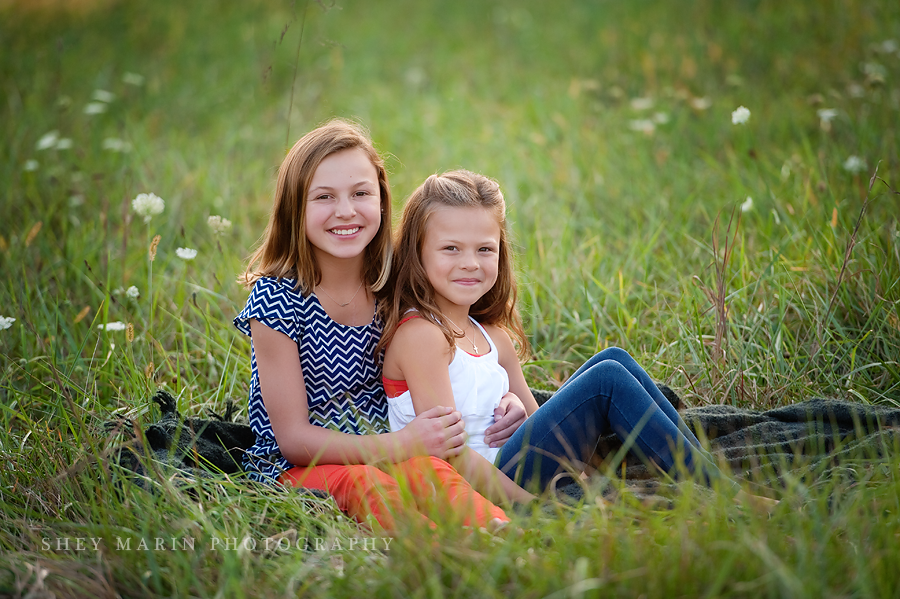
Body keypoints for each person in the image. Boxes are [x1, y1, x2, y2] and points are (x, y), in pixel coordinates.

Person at [379, 169, 749, 503]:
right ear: (417, 252)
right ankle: (725, 494)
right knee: (607, 380)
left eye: (485, 249)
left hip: (515, 464)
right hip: (485, 487)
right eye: (451, 248)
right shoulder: (423, 335)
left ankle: (701, 470)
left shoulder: (491, 336)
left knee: (614, 360)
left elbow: (537, 423)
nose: (471, 263)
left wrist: (520, 409)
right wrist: (532, 508)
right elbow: (449, 454)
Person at [234, 120, 516, 532]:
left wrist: (506, 396)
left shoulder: (389, 284)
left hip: (394, 452)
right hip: (301, 466)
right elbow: (293, 438)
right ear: (296, 207)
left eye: (361, 193)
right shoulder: (277, 299)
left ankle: (506, 534)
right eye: (324, 197)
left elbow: (466, 342)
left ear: (383, 200)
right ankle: (437, 555)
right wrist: (399, 444)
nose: (345, 211)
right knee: (367, 482)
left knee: (430, 473)